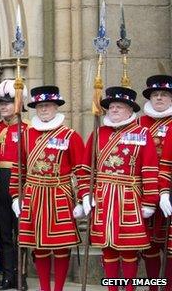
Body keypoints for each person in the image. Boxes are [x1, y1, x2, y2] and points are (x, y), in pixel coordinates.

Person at [78, 86, 158, 291]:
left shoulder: (142, 133)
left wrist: (149, 201)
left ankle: (129, 288)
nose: (114, 110)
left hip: (129, 198)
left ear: (130, 110)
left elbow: (149, 169)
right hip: (103, 197)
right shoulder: (98, 133)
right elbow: (86, 169)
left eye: (119, 107)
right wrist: (85, 194)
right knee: (108, 248)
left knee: (129, 248)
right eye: (111, 107)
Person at [9, 86, 84, 291]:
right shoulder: (25, 135)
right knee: (39, 248)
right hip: (33, 195)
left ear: (56, 107)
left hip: (59, 195)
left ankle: (58, 288)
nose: (43, 110)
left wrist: (83, 200)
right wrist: (16, 196)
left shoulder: (70, 136)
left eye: (48, 105)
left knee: (61, 247)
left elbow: (82, 170)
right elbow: (19, 168)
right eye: (40, 106)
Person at [0, 79, 28, 290]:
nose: (3, 106)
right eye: (1, 102)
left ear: (18, 104)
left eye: (8, 102)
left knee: (22, 234)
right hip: (0, 183)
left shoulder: (28, 129)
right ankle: (7, 275)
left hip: (21, 184)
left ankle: (22, 275)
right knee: (4, 233)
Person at [138, 75, 172, 288]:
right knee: (148, 244)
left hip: (171, 190)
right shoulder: (138, 123)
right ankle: (153, 285)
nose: (159, 98)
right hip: (145, 191)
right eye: (155, 94)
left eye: (165, 94)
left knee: (169, 246)